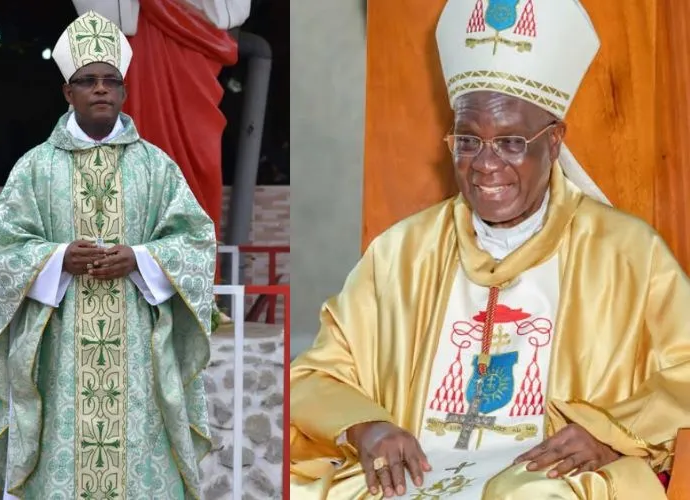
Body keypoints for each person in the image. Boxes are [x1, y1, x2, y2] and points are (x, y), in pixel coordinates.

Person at [288, 0, 690, 498]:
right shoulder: (402, 253)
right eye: (468, 141)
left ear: (555, 140)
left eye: (512, 142)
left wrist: (608, 434)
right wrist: (367, 427)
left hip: (548, 472)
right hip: (415, 464)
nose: (485, 164)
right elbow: (316, 373)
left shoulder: (628, 253)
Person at [0, 11, 216, 500]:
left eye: (111, 81)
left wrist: (142, 259)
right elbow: (2, 251)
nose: (100, 89)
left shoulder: (156, 166)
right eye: (87, 81)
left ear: (125, 92)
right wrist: (58, 258)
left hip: (138, 354)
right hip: (59, 351)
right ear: (69, 92)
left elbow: (196, 241)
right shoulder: (35, 168)